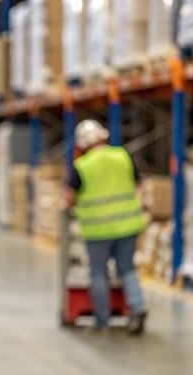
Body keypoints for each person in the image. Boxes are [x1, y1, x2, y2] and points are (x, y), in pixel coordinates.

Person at [64, 120, 148, 335]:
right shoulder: (122, 156)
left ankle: (102, 320)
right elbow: (138, 186)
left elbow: (69, 198)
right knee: (127, 268)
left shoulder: (83, 165)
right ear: (103, 137)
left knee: (99, 273)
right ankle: (137, 307)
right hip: (128, 225)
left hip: (98, 230)